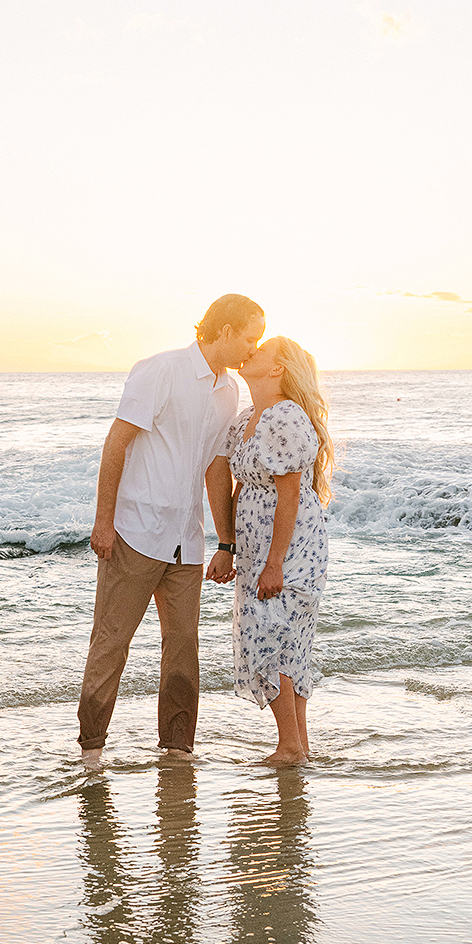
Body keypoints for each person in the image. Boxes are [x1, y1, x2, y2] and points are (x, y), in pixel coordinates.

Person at [77, 294, 265, 760]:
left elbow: (217, 468)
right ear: (224, 330)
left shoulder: (229, 390)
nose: (253, 349)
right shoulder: (159, 370)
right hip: (136, 532)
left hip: (187, 540)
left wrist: (226, 542)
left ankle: (178, 751)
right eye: (249, 337)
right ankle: (91, 750)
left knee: (183, 650)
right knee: (112, 642)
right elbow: (116, 443)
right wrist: (104, 522)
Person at [226, 338, 333, 765]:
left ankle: (289, 746)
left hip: (289, 549)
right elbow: (240, 486)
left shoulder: (285, 415)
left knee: (270, 637)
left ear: (277, 370)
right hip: (258, 550)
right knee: (286, 640)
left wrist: (274, 565)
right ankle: (297, 746)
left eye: (261, 350)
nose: (249, 351)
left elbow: (289, 496)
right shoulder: (248, 419)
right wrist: (228, 547)